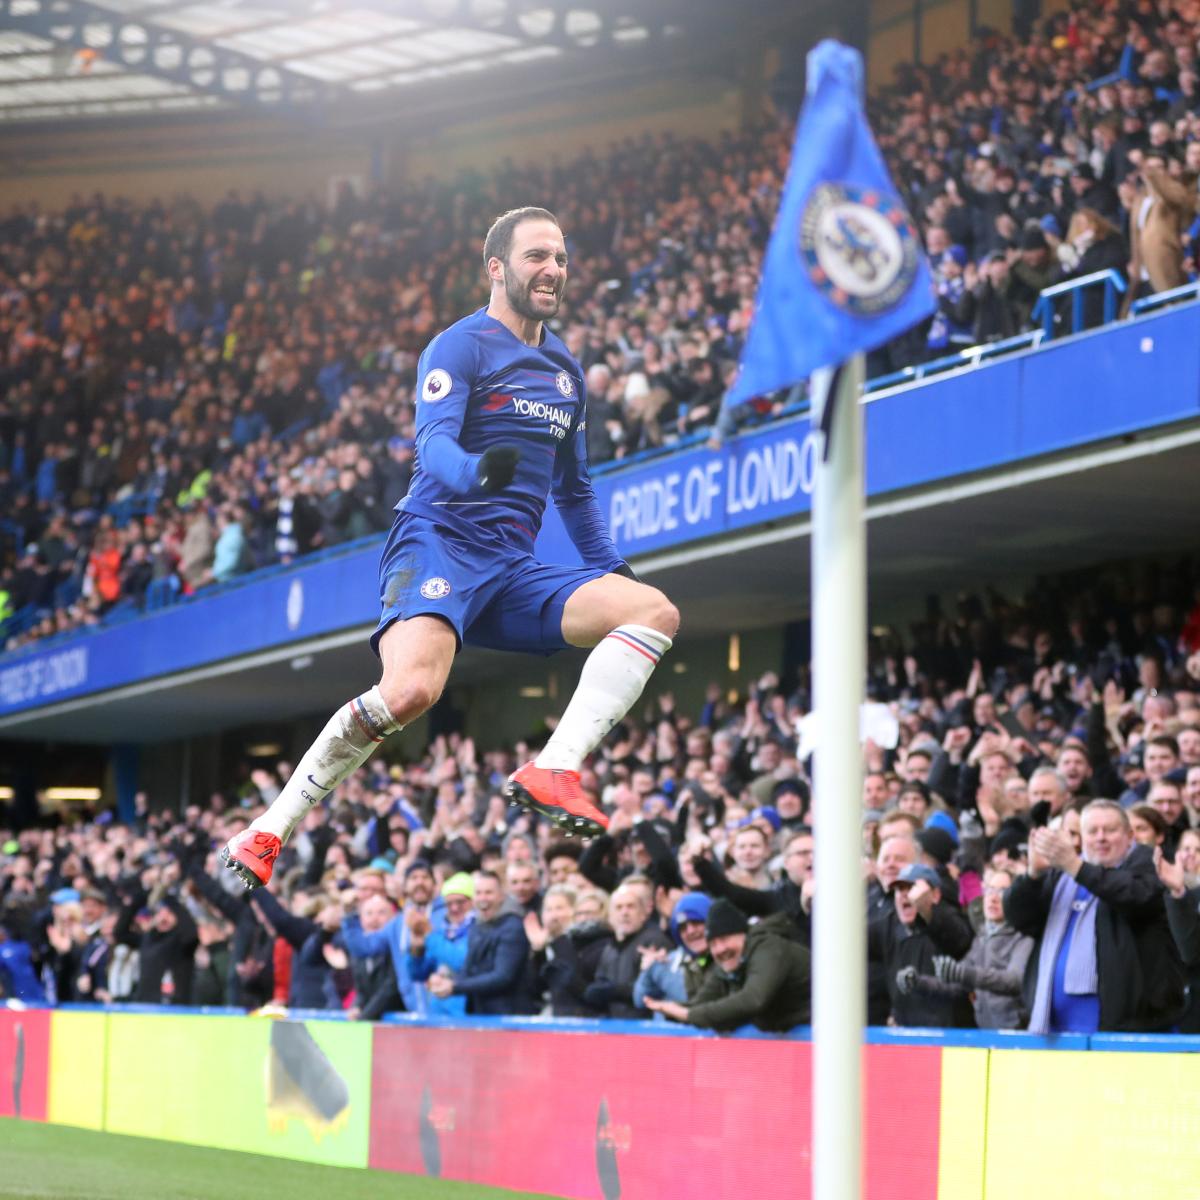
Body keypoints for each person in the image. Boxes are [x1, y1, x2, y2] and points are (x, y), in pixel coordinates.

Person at [222, 206, 680, 888]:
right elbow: (432, 445)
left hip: (512, 566)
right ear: (497, 267)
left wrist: (610, 569)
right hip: (438, 542)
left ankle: (555, 768)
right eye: (536, 257)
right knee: (410, 693)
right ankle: (267, 830)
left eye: (560, 256)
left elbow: (576, 491)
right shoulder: (460, 346)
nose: (553, 269)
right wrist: (474, 470)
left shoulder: (565, 370)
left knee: (653, 611)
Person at [1004, 800, 1184, 1033]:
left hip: (1127, 1029)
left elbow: (1135, 896)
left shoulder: (1148, 865)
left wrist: (1075, 865)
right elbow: (1019, 918)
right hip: (1053, 1030)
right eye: (1092, 831)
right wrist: (1033, 875)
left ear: (1130, 836)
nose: (1101, 838)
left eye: (1110, 830)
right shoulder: (1060, 876)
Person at [644, 900, 810, 1033]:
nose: (720, 949)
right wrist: (671, 1011)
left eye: (724, 939)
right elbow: (699, 1003)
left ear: (743, 935)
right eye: (713, 944)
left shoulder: (769, 948)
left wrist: (688, 1015)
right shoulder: (727, 963)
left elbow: (754, 999)